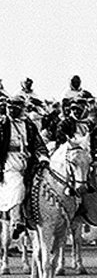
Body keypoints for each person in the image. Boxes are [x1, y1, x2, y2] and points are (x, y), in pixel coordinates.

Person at [0, 95, 49, 234]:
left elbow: (38, 143)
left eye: (15, 107)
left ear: (22, 108)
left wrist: (43, 157)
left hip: (28, 161)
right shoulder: (2, 124)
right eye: (9, 107)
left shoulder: (28, 124)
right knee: (17, 185)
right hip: (8, 162)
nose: (11, 110)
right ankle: (17, 220)